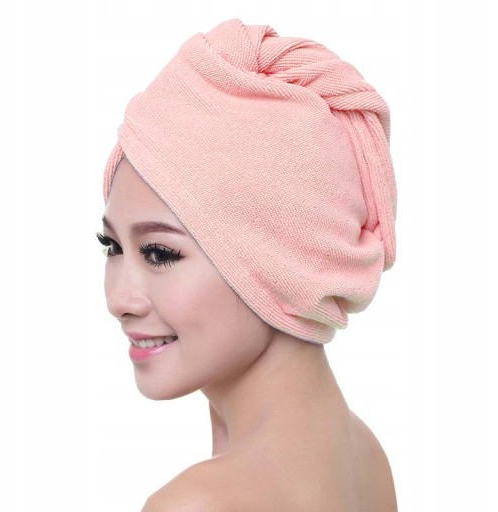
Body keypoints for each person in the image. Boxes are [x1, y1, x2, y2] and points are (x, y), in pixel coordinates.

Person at [97, 18, 399, 511]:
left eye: (160, 253)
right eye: (111, 246)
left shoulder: (197, 504)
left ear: (284, 264)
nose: (118, 301)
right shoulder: (366, 457)